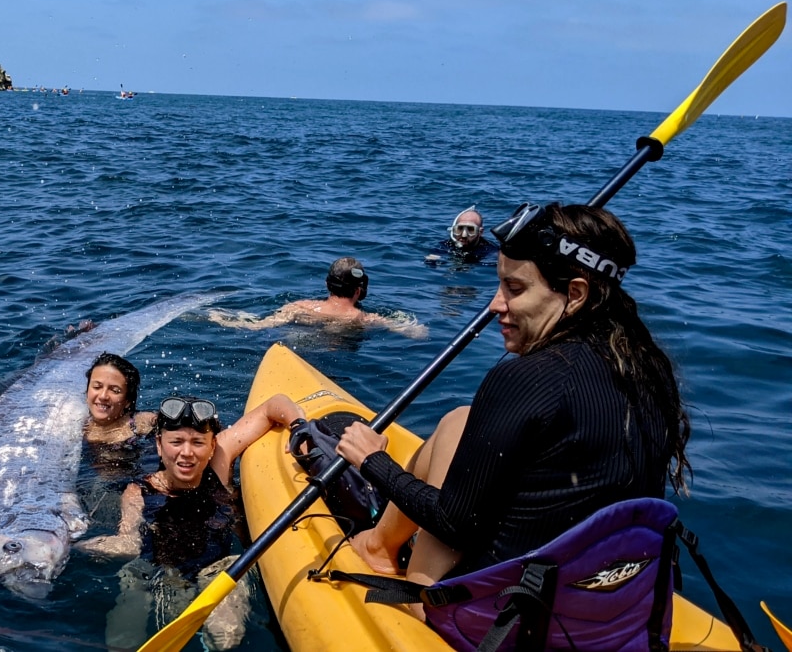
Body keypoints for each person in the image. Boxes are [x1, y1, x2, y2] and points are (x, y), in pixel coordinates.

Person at [336, 203, 692, 619]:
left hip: (504, 623)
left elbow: (454, 524)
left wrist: (374, 462)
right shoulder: (648, 369)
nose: (495, 305)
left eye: (515, 289)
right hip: (610, 613)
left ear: (575, 294)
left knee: (448, 497)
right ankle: (381, 545)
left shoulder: (526, 378)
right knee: (459, 420)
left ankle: (399, 567)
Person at [76, 394, 305, 650]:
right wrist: (78, 547)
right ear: (159, 445)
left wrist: (299, 426)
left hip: (218, 568)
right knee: (123, 636)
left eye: (198, 442)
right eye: (176, 442)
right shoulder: (138, 491)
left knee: (226, 636)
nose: (187, 453)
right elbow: (129, 540)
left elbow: (273, 405)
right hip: (155, 571)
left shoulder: (219, 462)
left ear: (212, 445)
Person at [208, 257, 428, 339]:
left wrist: (221, 318)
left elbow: (258, 326)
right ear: (359, 291)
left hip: (298, 338)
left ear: (327, 285)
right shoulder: (366, 319)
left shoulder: (299, 306)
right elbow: (418, 334)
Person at [83, 352, 158, 478]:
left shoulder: (139, 423)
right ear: (87, 391)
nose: (103, 396)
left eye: (115, 390)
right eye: (97, 387)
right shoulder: (75, 425)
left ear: (127, 401)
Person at [425, 205, 497, 265]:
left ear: (480, 232)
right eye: (460, 229)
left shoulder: (490, 251)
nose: (464, 235)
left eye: (471, 230)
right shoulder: (445, 246)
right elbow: (430, 262)